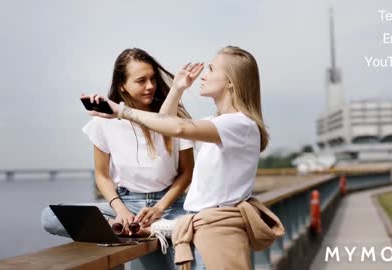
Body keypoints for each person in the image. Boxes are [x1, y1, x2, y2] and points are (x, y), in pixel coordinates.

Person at [85, 46, 284, 270]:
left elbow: (177, 127)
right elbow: (167, 126)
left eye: (211, 68)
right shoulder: (220, 123)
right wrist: (177, 89)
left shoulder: (238, 124)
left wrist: (120, 111)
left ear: (231, 80)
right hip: (203, 227)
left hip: (219, 234)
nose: (204, 74)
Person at [41, 48, 194, 270]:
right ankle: (121, 229)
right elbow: (102, 175)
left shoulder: (174, 117)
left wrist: (160, 208)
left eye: (152, 79)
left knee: (202, 228)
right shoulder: (103, 122)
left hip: (169, 207)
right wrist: (121, 211)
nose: (150, 86)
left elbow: (187, 172)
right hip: (126, 204)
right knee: (49, 216)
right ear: (122, 85)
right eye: (141, 81)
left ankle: (148, 229)